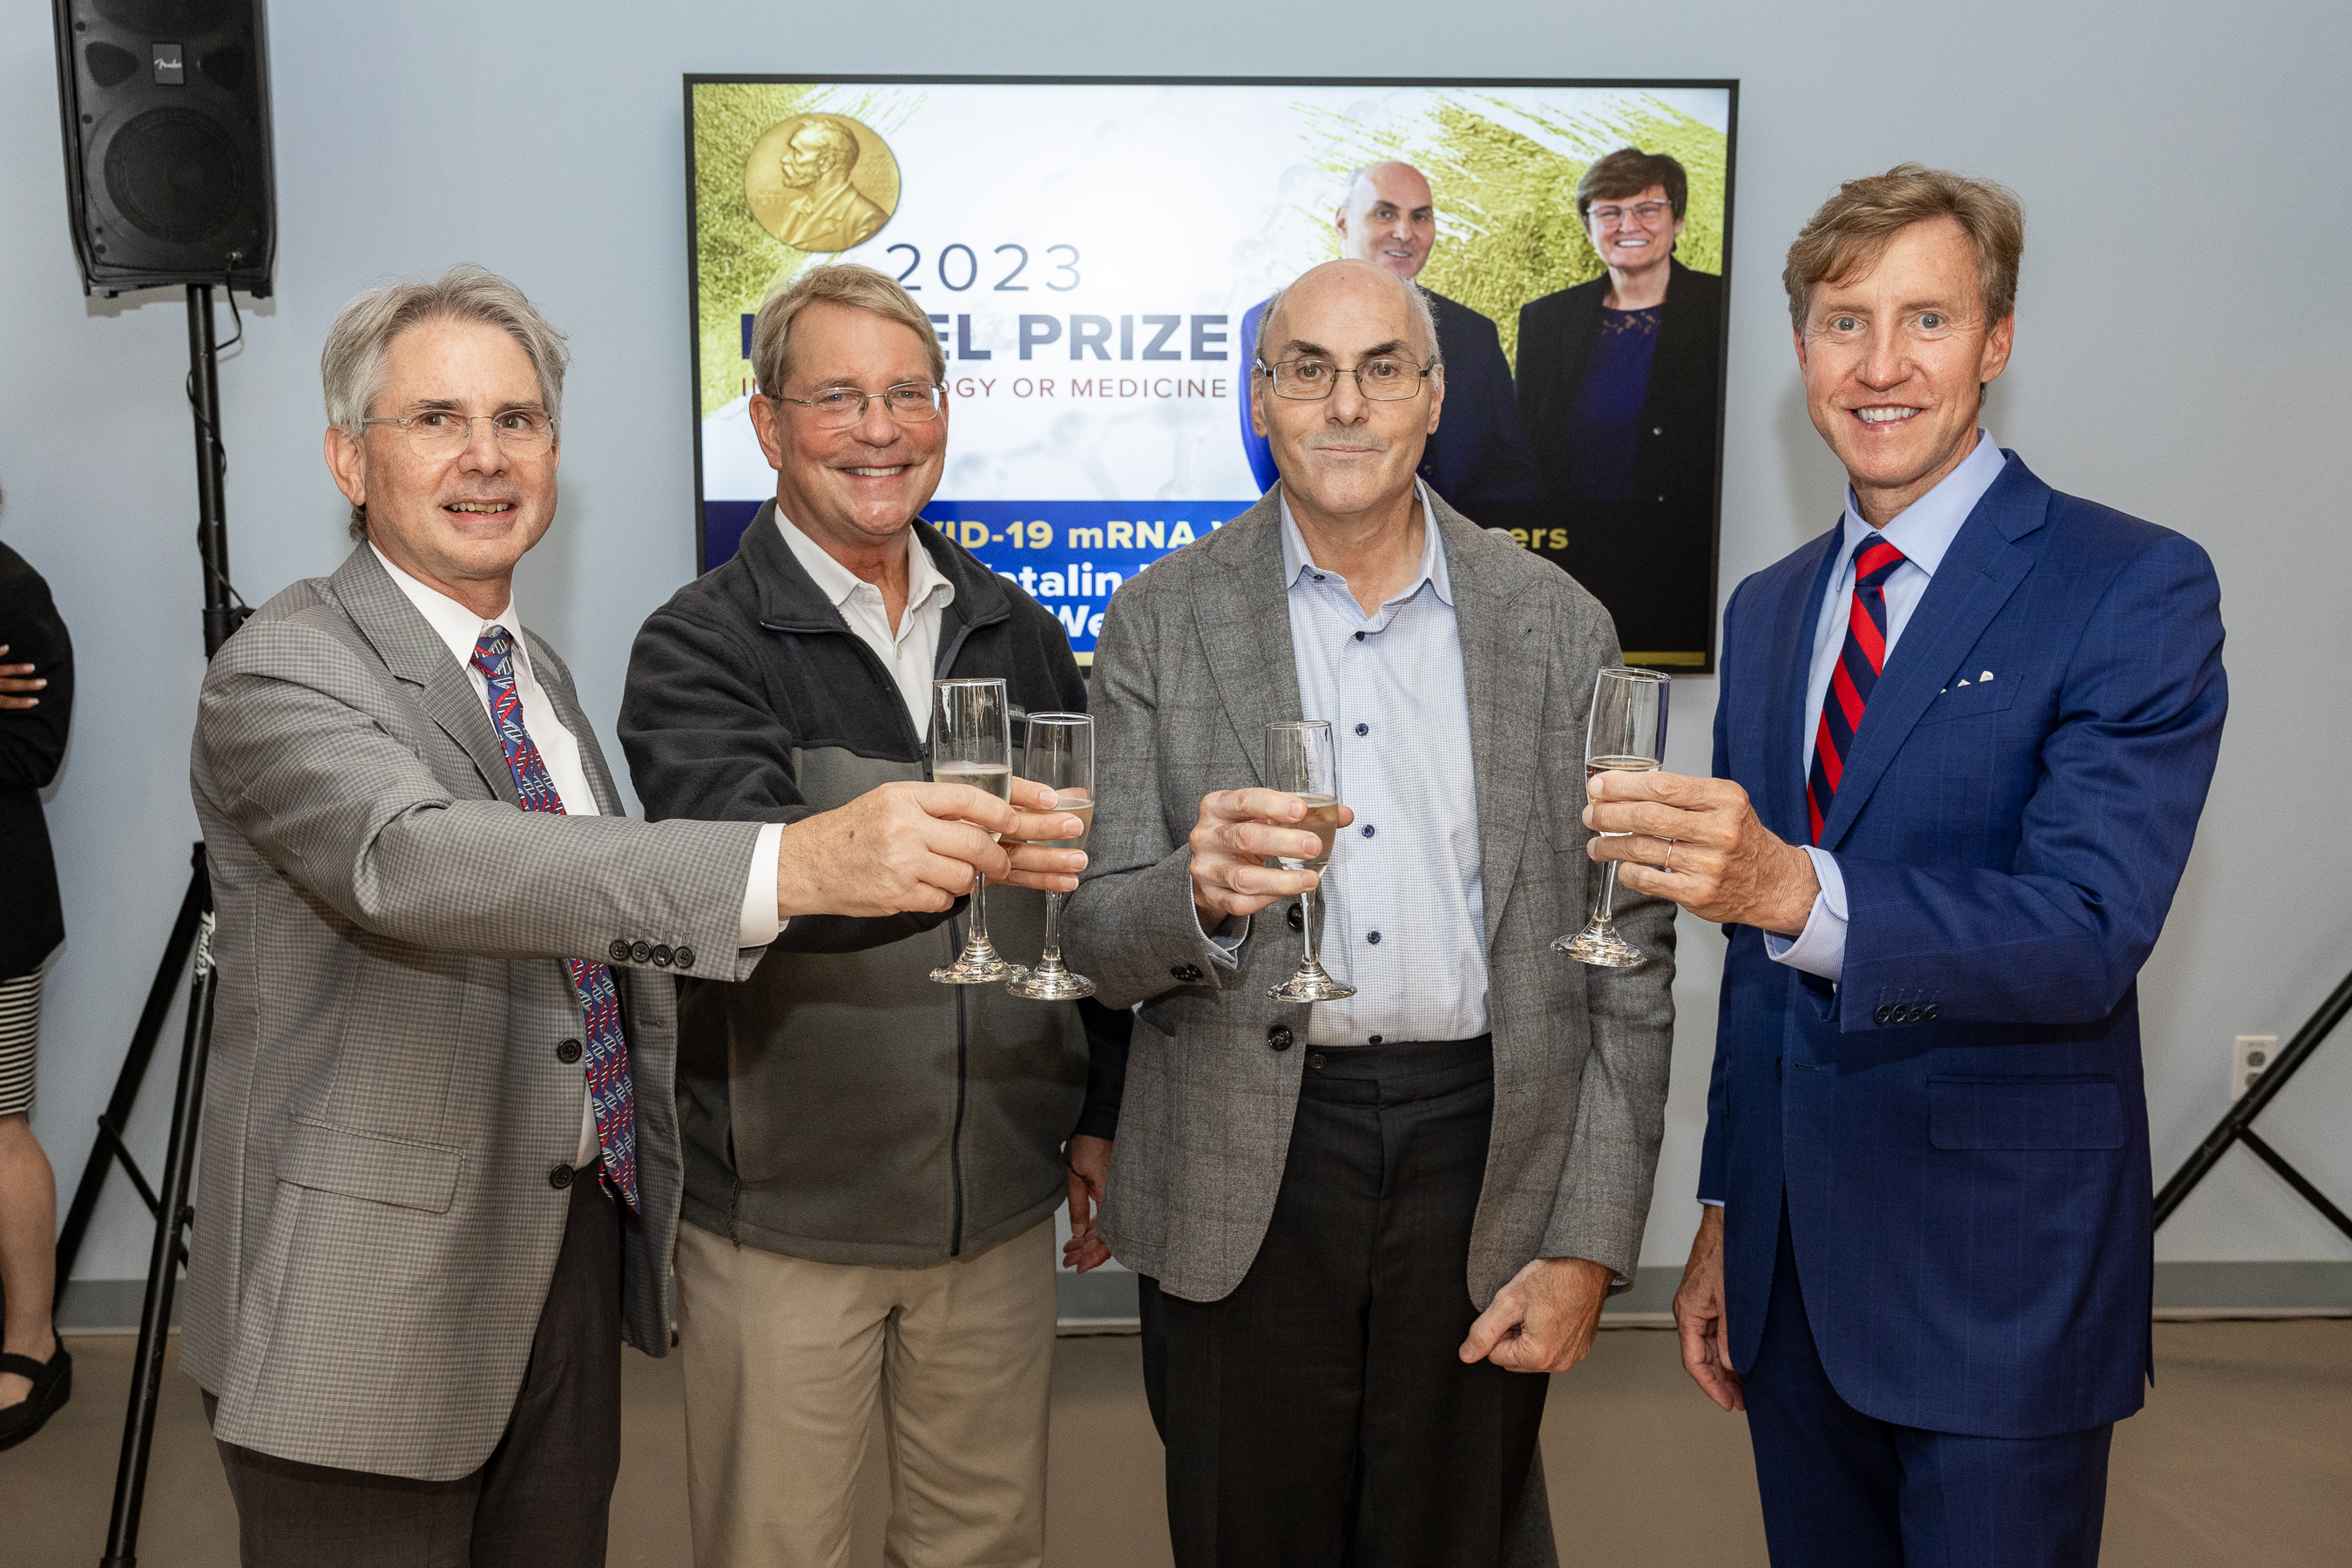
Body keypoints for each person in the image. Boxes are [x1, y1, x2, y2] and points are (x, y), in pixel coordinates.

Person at [182, 264, 1082, 1567]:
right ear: (346, 457)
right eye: (437, 420)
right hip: (366, 1306)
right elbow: (421, 865)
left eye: (520, 421)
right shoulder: (286, 664)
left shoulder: (527, 670)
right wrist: (794, 868)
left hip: (556, 1264)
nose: (487, 457)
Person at [1583, 166, 2227, 1567]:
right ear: (1801, 348)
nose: (1881, 367)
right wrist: (1725, 1213)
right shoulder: (1765, 614)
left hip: (2000, 1282)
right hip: (1793, 1281)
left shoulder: (2132, 585)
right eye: (1842, 322)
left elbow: (2085, 927)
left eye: (1926, 320)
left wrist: (1793, 890)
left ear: (1996, 342)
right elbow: (1762, 985)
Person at [1066, 257, 1676, 1567]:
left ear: (1436, 397)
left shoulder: (1560, 627)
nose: (1347, 404)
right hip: (1243, 1164)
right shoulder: (1159, 620)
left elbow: (1627, 958)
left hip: (1487, 1154)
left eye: (1383, 367)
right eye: (1310, 369)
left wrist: (1589, 1243)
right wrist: (1198, 894)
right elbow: (1094, 943)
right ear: (1261, 400)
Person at [619, 261, 1119, 1568]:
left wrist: (1097, 1107)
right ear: (768, 424)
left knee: (984, 1546)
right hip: (789, 1222)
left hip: (999, 1208)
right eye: (837, 396)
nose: (881, 428)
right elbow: (743, 891)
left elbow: (1082, 886)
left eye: (909, 393)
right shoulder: (697, 646)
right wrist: (897, 841)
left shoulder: (1019, 630)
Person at [1238, 162, 1543, 531]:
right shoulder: (1271, 322)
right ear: (1342, 221)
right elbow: (1274, 467)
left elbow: (1512, 470)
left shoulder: (1473, 332)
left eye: (1420, 217)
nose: (1404, 232)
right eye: (1385, 213)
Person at [1517, 149, 1726, 661]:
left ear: (1677, 219)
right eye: (1609, 211)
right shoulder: (1546, 321)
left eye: (1647, 209)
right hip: (1568, 565)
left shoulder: (1720, 310)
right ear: (1589, 225)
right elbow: (1528, 449)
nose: (1628, 224)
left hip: (1676, 566)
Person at [0, 500, 74, 1451]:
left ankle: (32, 1345)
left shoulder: (13, 594)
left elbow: (30, 750)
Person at [772, 117, 890, 253]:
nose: (784, 159)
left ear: (826, 162)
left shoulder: (868, 221)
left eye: (797, 152)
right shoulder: (794, 209)